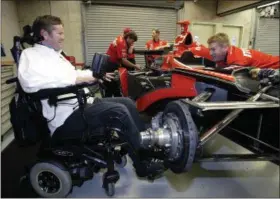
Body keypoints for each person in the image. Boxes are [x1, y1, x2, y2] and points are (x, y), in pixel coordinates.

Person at [18, 15, 165, 178]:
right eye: (59, 33)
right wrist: (78, 79)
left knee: (127, 102)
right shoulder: (31, 55)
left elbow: (74, 73)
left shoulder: (56, 55)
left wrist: (96, 74)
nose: (63, 37)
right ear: (45, 34)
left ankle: (145, 145)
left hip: (80, 105)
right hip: (66, 118)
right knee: (119, 111)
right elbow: (29, 82)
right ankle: (142, 164)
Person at [189, 32, 280, 70]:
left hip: (276, 65)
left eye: (213, 49)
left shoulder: (238, 60)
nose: (210, 53)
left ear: (225, 47)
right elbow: (198, 49)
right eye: (210, 49)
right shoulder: (225, 52)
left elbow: (223, 73)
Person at [105, 30, 141, 97]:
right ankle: (110, 101)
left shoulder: (121, 38)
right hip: (110, 64)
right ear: (128, 38)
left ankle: (115, 99)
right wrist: (135, 66)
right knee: (111, 86)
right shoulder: (122, 43)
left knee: (112, 86)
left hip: (110, 63)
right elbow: (123, 60)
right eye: (132, 41)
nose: (132, 43)